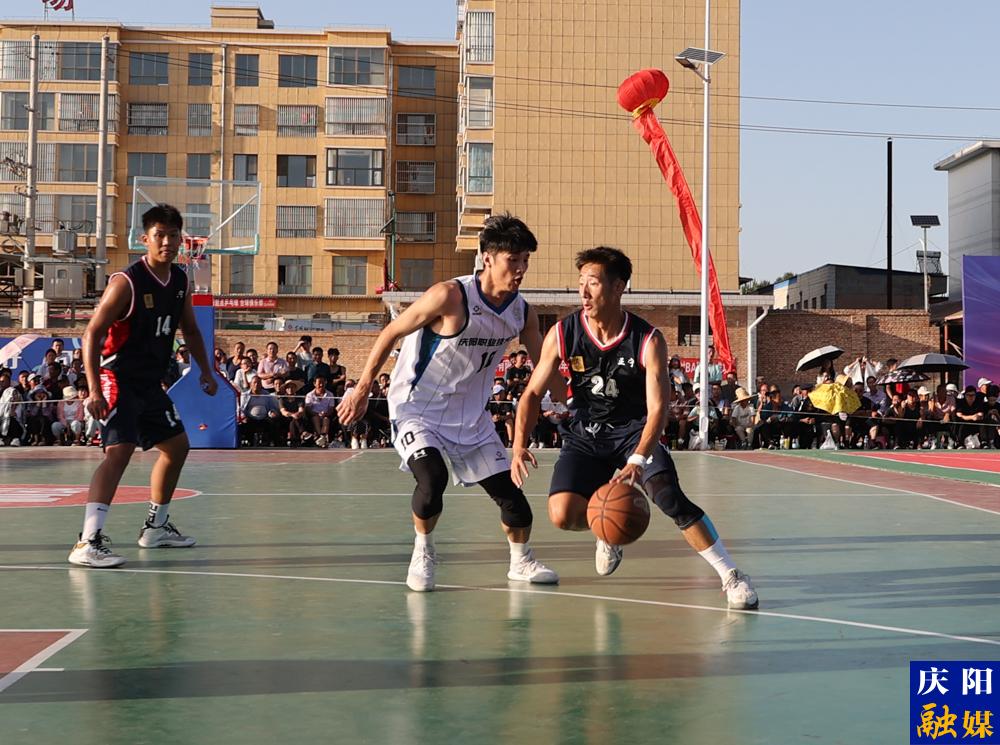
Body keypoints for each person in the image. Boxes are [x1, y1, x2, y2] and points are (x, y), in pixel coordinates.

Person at [511, 246, 758, 610]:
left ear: (618, 287)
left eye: (593, 283)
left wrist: (638, 459)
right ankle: (606, 531)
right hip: (587, 433)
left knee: (669, 498)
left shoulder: (647, 339)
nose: (583, 292)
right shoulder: (563, 333)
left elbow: (658, 408)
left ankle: (731, 574)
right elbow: (532, 393)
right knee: (562, 515)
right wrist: (519, 444)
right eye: (580, 283)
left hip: (635, 432)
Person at [337, 212, 558, 592]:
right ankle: (423, 551)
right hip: (417, 410)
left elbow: (545, 366)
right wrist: (363, 387)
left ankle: (520, 561)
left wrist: (576, 399)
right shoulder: (450, 295)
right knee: (432, 478)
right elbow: (391, 332)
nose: (521, 269)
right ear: (487, 258)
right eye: (513, 260)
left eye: (526, 260)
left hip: (471, 419)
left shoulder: (522, 312)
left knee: (514, 502)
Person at [68, 203, 218, 569]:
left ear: (181, 240)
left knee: (177, 447)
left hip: (150, 381)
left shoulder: (180, 281)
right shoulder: (127, 282)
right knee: (119, 451)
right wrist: (94, 389)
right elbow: (92, 333)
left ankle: (156, 527)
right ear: (144, 239)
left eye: (173, 235)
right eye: (159, 235)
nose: (167, 242)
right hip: (117, 376)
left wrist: (206, 371)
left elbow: (190, 330)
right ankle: (87, 541)